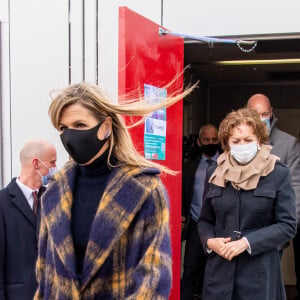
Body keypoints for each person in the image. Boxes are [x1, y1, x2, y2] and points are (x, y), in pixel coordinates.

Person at [34, 81, 195, 299]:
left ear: (106, 126)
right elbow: (45, 274)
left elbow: (154, 278)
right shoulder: (54, 191)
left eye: (80, 125)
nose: (70, 136)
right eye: (63, 128)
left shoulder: (145, 190)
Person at [197, 108, 296, 300]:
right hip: (219, 273)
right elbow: (204, 221)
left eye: (248, 140)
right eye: (236, 141)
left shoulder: (277, 173)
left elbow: (287, 226)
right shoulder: (214, 173)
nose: (242, 145)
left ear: (259, 140)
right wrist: (209, 241)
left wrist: (247, 243)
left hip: (259, 274)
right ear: (226, 143)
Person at [247, 94, 300, 294]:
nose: (260, 118)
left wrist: (285, 229)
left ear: (272, 114)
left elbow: (296, 191)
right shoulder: (238, 142)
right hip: (241, 232)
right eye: (255, 114)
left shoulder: (289, 144)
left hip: (272, 234)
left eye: (264, 114)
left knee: (266, 289)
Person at [0, 139, 57, 300]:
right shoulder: (2, 202)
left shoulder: (53, 198)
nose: (55, 168)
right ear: (36, 163)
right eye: (52, 162)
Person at [181, 124, 221, 300]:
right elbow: (183, 194)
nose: (211, 143)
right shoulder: (190, 168)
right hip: (196, 226)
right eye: (206, 140)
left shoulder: (227, 165)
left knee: (215, 273)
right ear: (199, 142)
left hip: (220, 227)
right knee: (190, 270)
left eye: (214, 139)